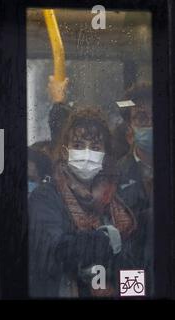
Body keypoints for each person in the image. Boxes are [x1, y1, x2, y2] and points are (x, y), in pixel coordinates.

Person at [28, 108, 139, 298]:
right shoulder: (45, 198)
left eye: (95, 147)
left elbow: (133, 266)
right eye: (78, 145)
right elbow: (53, 251)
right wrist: (105, 240)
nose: (86, 154)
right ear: (65, 151)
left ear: (105, 156)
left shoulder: (116, 201)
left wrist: (125, 294)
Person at [116, 82, 153, 292]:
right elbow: (122, 248)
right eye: (141, 118)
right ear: (129, 128)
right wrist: (134, 292)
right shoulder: (114, 176)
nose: (150, 124)